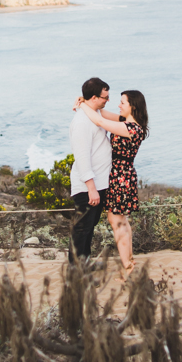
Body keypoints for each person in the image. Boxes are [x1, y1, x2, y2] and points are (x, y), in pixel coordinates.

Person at [76, 90, 148, 279]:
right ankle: (129, 262)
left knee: (117, 221)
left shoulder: (132, 128)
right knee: (120, 221)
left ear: (132, 106)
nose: (119, 105)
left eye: (122, 102)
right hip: (120, 175)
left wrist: (82, 105)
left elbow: (99, 122)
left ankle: (129, 266)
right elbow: (100, 113)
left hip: (121, 176)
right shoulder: (125, 121)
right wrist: (87, 102)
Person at [68, 77, 113, 262]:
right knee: (81, 231)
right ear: (94, 97)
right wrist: (91, 189)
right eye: (105, 97)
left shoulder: (95, 114)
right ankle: (76, 272)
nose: (107, 100)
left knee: (88, 229)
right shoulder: (81, 122)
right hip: (87, 187)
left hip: (98, 184)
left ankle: (83, 267)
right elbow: (82, 158)